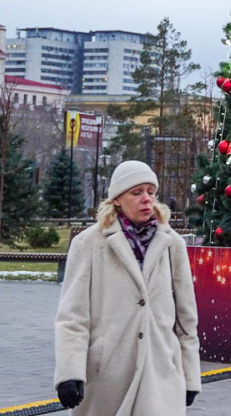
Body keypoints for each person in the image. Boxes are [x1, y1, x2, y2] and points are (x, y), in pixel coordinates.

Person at [53, 160, 201, 415]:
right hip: (107, 378)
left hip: (160, 372)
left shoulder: (172, 244)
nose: (146, 199)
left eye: (150, 192)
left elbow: (187, 319)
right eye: (137, 192)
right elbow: (72, 317)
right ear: (117, 199)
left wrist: (190, 376)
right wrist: (70, 372)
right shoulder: (88, 244)